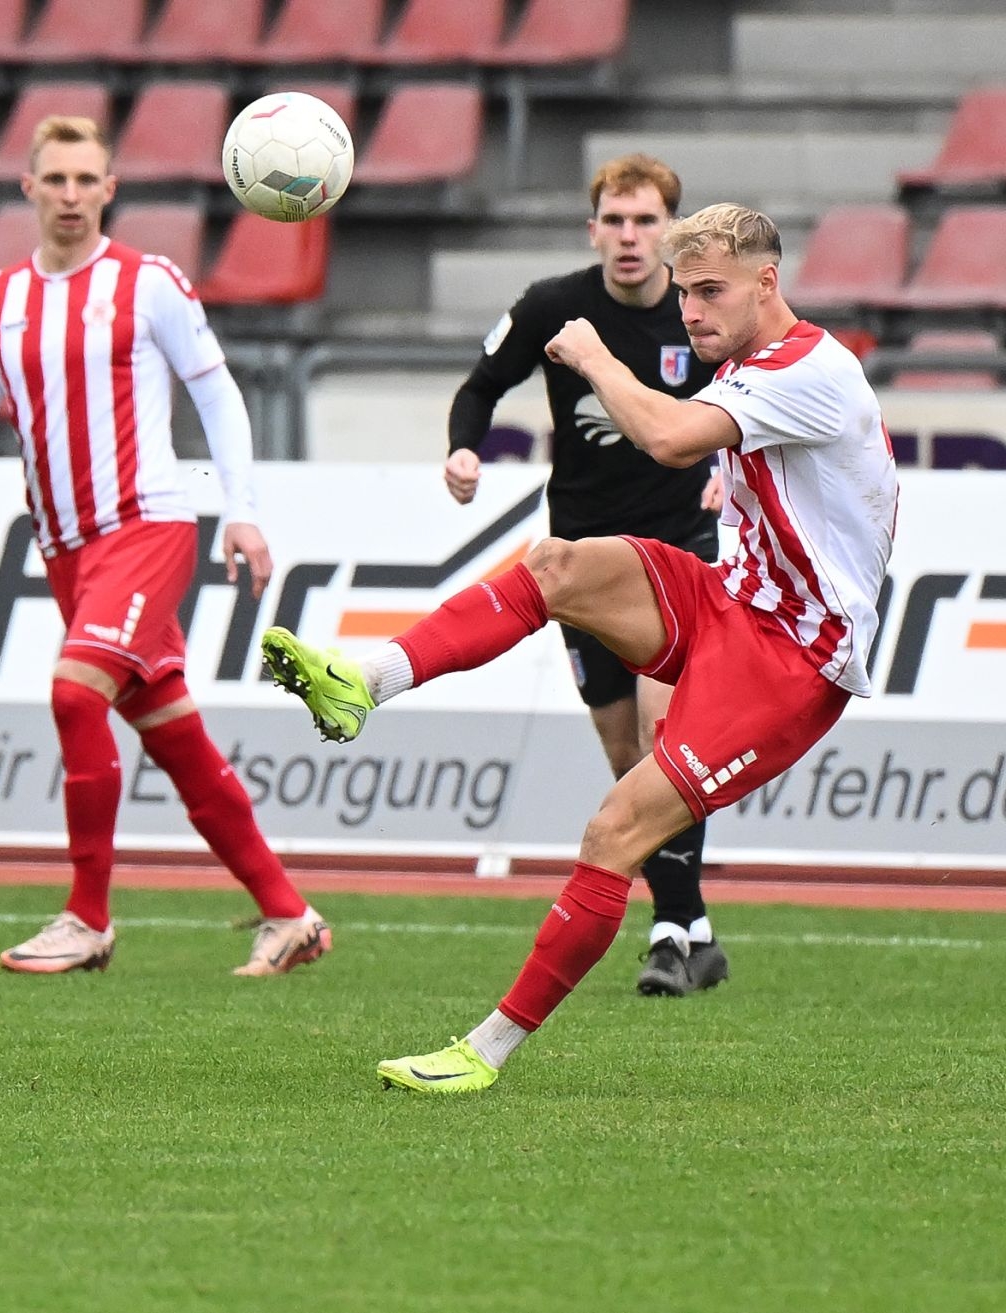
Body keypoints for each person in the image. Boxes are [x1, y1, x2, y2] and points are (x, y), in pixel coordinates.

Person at [262, 203, 897, 1092]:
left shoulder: (810, 368)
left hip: (791, 657)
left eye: (710, 292)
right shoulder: (751, 362)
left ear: (768, 283)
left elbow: (669, 438)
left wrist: (597, 356)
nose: (691, 311)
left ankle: (485, 1051)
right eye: (685, 294)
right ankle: (364, 681)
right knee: (556, 564)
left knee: (614, 829)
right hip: (732, 600)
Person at [0, 115, 333, 977]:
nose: (71, 195)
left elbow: (217, 395)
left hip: (147, 526)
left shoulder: (148, 283)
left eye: (87, 179)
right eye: (56, 179)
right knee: (175, 736)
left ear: (109, 190)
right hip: (65, 548)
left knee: (75, 694)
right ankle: (289, 914)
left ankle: (88, 917)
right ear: (29, 188)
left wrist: (241, 509)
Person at [445, 154, 729, 998]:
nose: (630, 237)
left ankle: (670, 935)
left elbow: (757, 403)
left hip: (679, 549)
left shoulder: (701, 312)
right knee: (622, 751)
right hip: (580, 558)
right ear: (593, 228)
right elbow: (480, 385)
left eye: (646, 221)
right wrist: (463, 449)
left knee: (663, 737)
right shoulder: (552, 307)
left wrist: (731, 469)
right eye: (616, 220)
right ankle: (693, 924)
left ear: (671, 232)